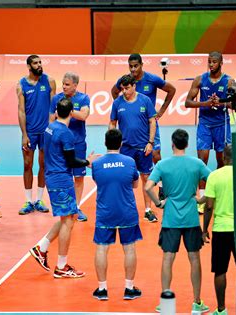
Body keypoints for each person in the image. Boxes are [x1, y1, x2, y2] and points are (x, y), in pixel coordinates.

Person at [29, 98, 99, 278]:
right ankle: (61, 266)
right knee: (69, 221)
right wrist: (88, 162)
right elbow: (71, 161)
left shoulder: (49, 127)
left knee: (69, 216)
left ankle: (42, 247)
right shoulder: (66, 133)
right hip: (61, 180)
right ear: (71, 113)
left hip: (52, 176)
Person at [145, 129, 211, 313]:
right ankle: (197, 302)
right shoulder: (196, 164)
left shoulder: (163, 165)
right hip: (191, 217)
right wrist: (202, 199)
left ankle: (166, 302)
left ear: (172, 144)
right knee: (194, 258)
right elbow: (213, 182)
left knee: (168, 258)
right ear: (187, 144)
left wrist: (159, 203)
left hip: (171, 218)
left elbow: (148, 186)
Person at [199, 144, 236, 315]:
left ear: (224, 158)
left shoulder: (214, 176)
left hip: (221, 230)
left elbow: (208, 206)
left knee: (220, 270)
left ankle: (221, 309)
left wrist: (204, 230)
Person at [111, 53, 176, 200]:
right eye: (131, 66)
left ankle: (162, 185)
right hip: (132, 127)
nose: (133, 69)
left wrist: (161, 111)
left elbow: (172, 90)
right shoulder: (124, 81)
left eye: (136, 66)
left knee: (155, 154)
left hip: (149, 122)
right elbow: (114, 92)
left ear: (141, 65)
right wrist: (124, 106)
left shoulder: (152, 79)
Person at [91, 129, 142, 301]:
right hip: (127, 212)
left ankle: (102, 289)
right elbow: (135, 185)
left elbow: (98, 181)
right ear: (121, 143)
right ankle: (128, 288)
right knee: (129, 248)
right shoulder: (130, 162)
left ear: (105, 143)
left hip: (105, 213)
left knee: (101, 249)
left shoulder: (97, 164)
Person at [185, 51, 235, 214]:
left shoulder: (229, 81)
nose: (211, 64)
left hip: (222, 124)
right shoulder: (200, 79)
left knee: (221, 161)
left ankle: (218, 195)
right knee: (202, 160)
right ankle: (200, 199)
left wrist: (221, 103)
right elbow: (188, 102)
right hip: (205, 125)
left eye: (214, 62)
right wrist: (206, 103)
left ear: (221, 63)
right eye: (209, 62)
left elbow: (234, 104)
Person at [109, 74, 157, 223]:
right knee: (124, 179)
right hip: (125, 148)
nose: (124, 91)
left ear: (134, 86)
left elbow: (152, 122)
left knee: (146, 178)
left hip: (143, 148)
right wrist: (113, 144)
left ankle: (148, 210)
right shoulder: (117, 103)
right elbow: (112, 123)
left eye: (127, 88)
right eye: (123, 88)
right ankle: (125, 209)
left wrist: (150, 142)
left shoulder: (145, 100)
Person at [17, 54, 55, 215]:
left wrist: (52, 129)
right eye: (35, 63)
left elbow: (53, 108)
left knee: (44, 165)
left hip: (46, 132)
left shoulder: (50, 81)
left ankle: (39, 199)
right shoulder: (21, 85)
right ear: (28, 66)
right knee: (27, 165)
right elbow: (21, 111)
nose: (39, 65)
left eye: (40, 62)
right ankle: (28, 200)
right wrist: (24, 134)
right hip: (30, 132)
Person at [50, 72, 90, 222]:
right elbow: (50, 120)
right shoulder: (56, 98)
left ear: (75, 85)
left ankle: (77, 207)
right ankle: (65, 205)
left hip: (77, 143)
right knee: (64, 174)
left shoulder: (83, 98)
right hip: (59, 143)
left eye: (67, 84)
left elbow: (84, 115)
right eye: (63, 84)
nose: (64, 87)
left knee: (78, 177)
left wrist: (66, 111)